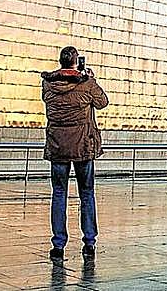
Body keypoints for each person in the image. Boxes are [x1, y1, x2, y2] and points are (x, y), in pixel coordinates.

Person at [42, 46, 108, 260]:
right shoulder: (87, 84)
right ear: (75, 62)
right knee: (86, 194)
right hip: (82, 147)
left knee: (59, 193)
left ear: (61, 62)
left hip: (58, 146)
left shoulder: (48, 84)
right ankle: (89, 242)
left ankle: (58, 245)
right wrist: (90, 79)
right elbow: (102, 102)